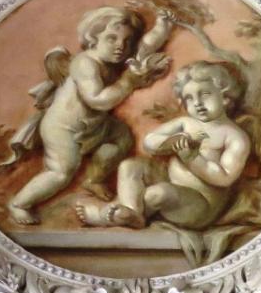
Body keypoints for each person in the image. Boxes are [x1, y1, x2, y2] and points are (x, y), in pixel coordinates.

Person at [1, 6, 172, 224]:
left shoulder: (118, 59)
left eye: (127, 40)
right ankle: (19, 203)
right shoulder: (85, 63)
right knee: (61, 172)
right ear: (93, 38)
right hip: (62, 128)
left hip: (95, 125)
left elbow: (146, 46)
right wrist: (128, 81)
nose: (121, 46)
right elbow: (98, 100)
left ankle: (94, 179)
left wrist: (163, 25)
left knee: (122, 138)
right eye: (112, 38)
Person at [76, 61, 250, 230]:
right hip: (171, 182)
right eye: (189, 98)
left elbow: (225, 178)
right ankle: (132, 213)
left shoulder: (234, 136)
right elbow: (150, 142)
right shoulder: (186, 123)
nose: (197, 103)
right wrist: (170, 141)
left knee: (158, 193)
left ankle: (109, 216)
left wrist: (192, 158)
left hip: (200, 204)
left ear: (225, 98)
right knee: (130, 166)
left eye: (204, 95)